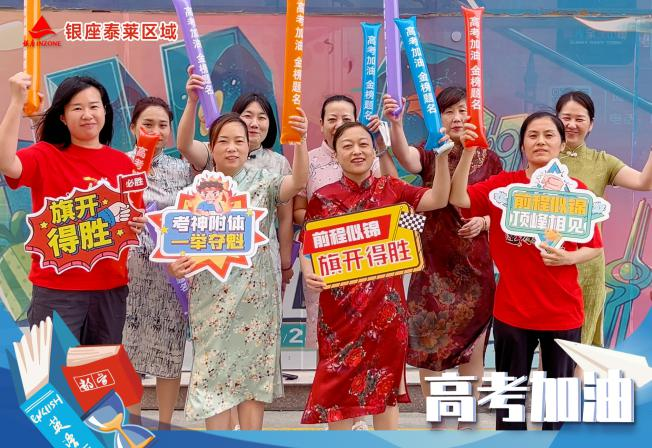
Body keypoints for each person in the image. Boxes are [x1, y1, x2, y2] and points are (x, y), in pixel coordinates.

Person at [449, 111, 604, 430]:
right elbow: (458, 198)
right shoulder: (503, 186)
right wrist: (466, 153)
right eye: (533, 135)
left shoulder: (576, 191)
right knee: (510, 404)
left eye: (549, 135)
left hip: (562, 312)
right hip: (513, 312)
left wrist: (568, 258)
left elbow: (594, 247)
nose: (541, 142)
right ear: (522, 145)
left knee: (558, 407)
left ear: (562, 144)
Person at [300, 121, 452, 430]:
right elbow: (308, 244)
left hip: (386, 309)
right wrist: (309, 271)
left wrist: (442, 159)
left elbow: (438, 199)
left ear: (373, 150)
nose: (356, 151)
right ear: (335, 154)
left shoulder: (393, 189)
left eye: (363, 144)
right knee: (340, 391)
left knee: (385, 388)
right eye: (347, 146)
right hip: (340, 312)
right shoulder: (323, 198)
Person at [169, 112, 309, 430]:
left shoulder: (265, 182)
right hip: (210, 297)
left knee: (253, 375)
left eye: (239, 141)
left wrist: (301, 141)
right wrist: (176, 266)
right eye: (224, 141)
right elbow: (178, 244)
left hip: (256, 297)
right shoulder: (197, 191)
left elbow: (298, 182)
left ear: (249, 146)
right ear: (212, 147)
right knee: (212, 375)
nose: (232, 148)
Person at [382, 88, 501, 428]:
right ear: (438, 117)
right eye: (448, 112)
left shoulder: (491, 159)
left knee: (472, 346)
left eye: (463, 110)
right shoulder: (431, 151)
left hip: (474, 266)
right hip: (432, 264)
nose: (457, 118)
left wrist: (485, 221)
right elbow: (405, 158)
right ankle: (437, 416)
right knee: (428, 345)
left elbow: (501, 205)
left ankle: (466, 417)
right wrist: (396, 124)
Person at [0, 72, 145, 344]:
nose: (87, 115)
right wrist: (16, 103)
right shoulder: (45, 155)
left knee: (100, 369)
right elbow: (6, 162)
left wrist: (137, 223)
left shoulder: (123, 164)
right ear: (63, 117)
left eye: (94, 106)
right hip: (57, 290)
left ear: (105, 111)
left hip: (109, 290)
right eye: (77, 108)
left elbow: (133, 216)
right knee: (54, 368)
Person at [293, 95, 395, 351]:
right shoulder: (309, 160)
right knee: (327, 340)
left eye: (346, 118)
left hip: (368, 259)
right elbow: (298, 212)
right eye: (332, 119)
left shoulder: (370, 157)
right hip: (326, 260)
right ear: (320, 124)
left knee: (370, 337)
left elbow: (393, 194)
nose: (339, 124)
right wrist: (333, 224)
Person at [555, 91, 652, 346]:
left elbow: (644, 182)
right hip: (548, 262)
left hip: (587, 265)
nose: (572, 124)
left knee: (582, 342)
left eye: (579, 119)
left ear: (591, 124)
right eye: (566, 117)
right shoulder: (542, 158)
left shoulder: (602, 161)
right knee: (551, 342)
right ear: (556, 119)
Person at [121, 97, 192, 430]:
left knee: (170, 351)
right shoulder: (118, 166)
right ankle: (132, 423)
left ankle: (165, 426)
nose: (156, 131)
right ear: (133, 127)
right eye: (148, 124)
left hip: (171, 275)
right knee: (128, 351)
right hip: (127, 275)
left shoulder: (183, 169)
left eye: (163, 125)